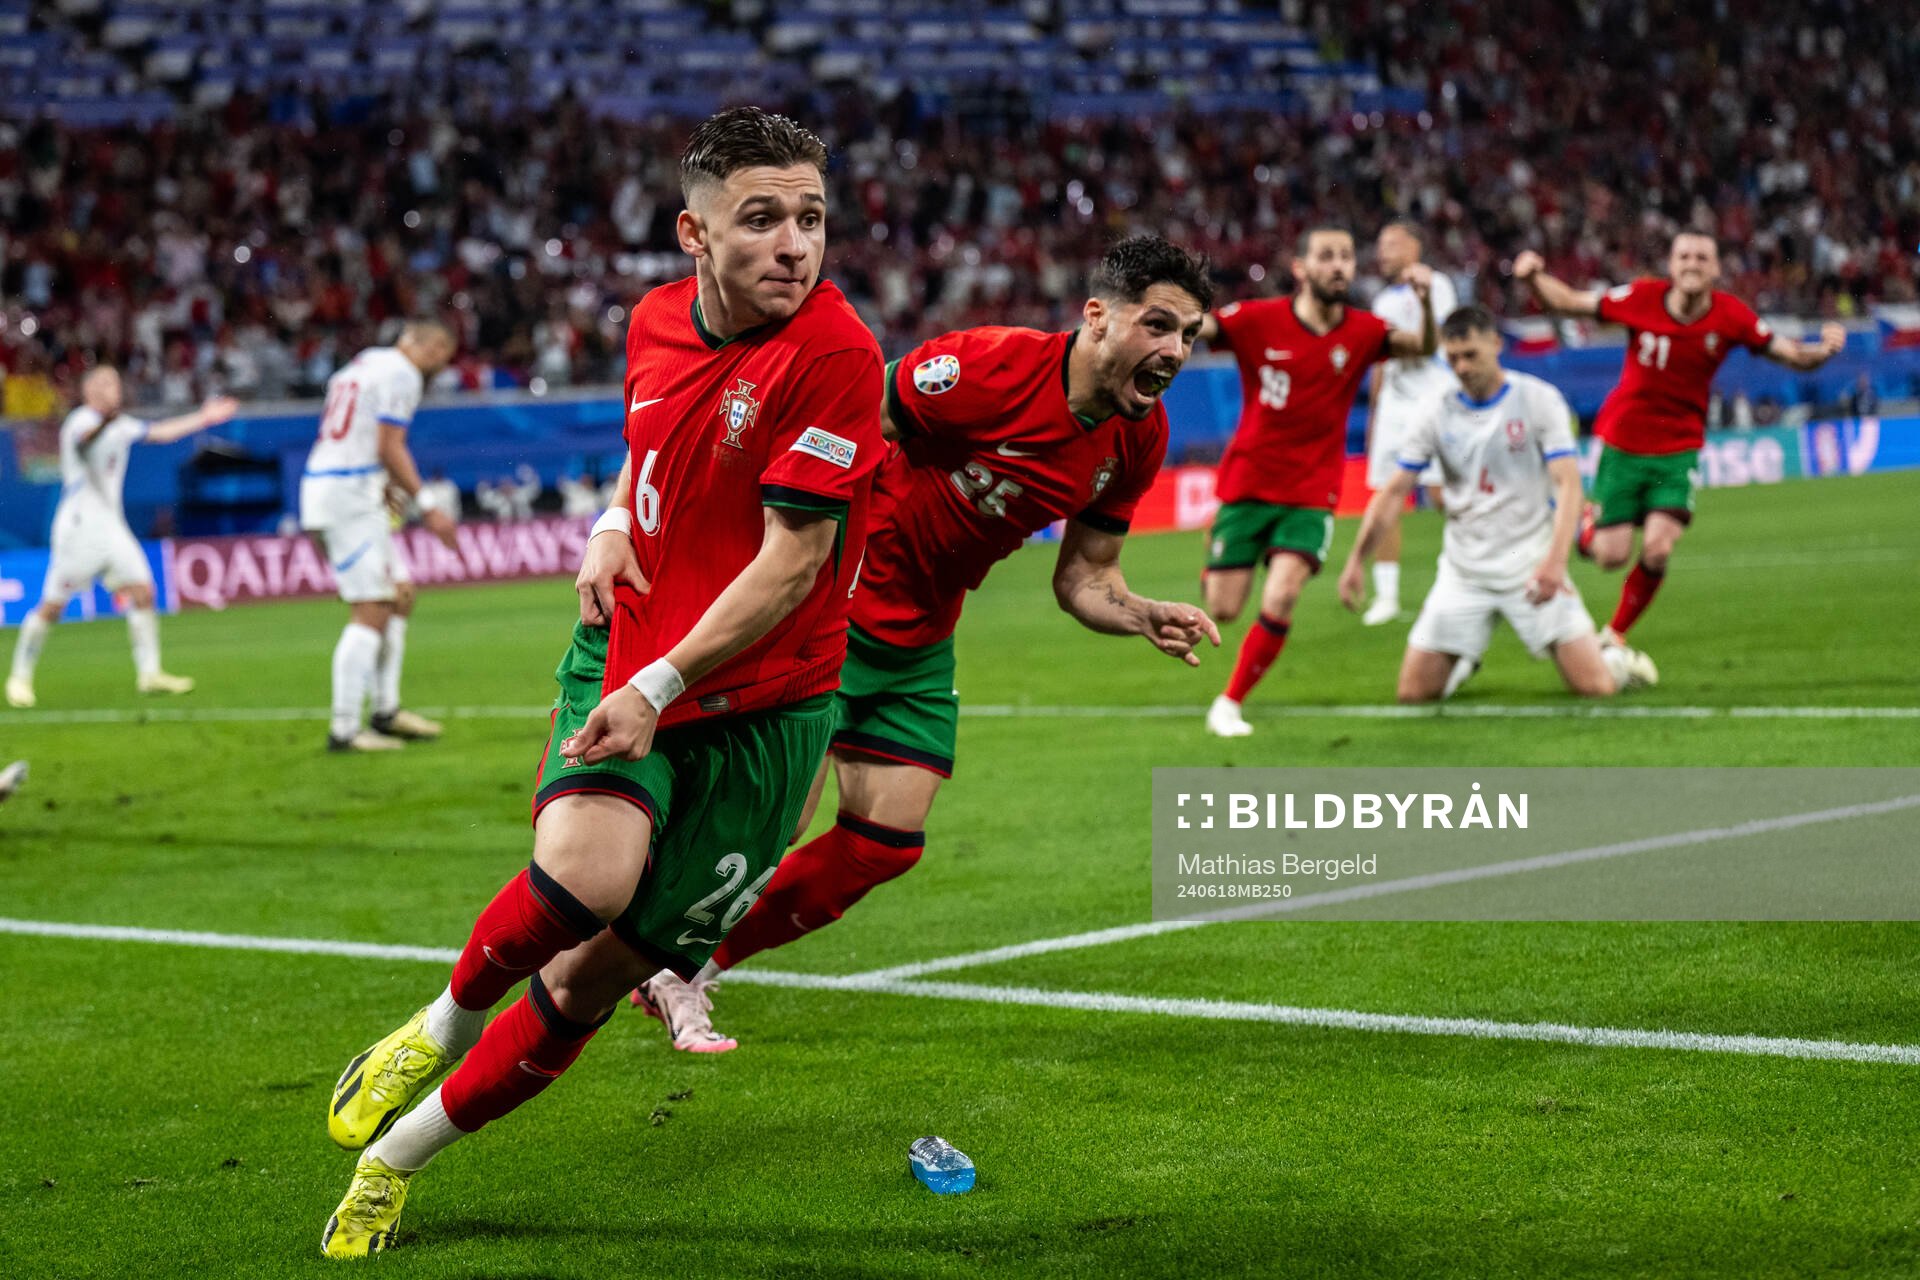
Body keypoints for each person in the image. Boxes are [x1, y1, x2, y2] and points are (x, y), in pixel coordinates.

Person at [318, 106, 884, 1258]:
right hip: (635, 649)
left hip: (766, 705)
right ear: (694, 232)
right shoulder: (653, 322)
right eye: (761, 218)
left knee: (584, 984)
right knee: (582, 874)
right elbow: (649, 441)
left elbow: (794, 564)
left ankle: (396, 1157)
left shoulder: (835, 353)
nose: (793, 244)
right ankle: (439, 1021)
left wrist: (668, 685)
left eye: (811, 219)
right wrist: (613, 519)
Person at [636, 235, 1220, 1052]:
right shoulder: (987, 366)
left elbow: (1086, 576)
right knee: (779, 818)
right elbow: (846, 416)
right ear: (1097, 317)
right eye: (1159, 325)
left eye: (1190, 335)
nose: (1175, 350)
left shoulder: (1137, 439)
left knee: (884, 841)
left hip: (923, 630)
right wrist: (794, 549)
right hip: (839, 602)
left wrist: (1135, 611)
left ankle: (686, 965)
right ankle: (642, 938)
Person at [1513, 234, 1844, 648]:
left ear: (1717, 269)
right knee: (1610, 557)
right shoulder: (1641, 298)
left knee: (1657, 549)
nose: (1693, 263)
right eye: (1684, 256)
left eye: (1702, 257)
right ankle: (1585, 524)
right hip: (1625, 445)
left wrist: (1824, 350)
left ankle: (1614, 636)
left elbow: (1792, 354)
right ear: (1671, 266)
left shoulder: (1730, 315)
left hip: (1678, 450)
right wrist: (1533, 278)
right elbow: (1565, 302)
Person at [1338, 306, 1657, 701]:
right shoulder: (1434, 411)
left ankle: (1613, 659)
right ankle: (1462, 658)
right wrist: (1356, 558)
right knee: (1413, 695)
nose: (1462, 367)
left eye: (1471, 355)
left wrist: (1555, 562)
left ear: (1496, 344)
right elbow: (1393, 493)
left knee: (1596, 688)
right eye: (1453, 358)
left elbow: (1568, 484)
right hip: (1464, 572)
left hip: (1531, 567)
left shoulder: (1539, 400)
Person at [1198, 225, 1437, 738]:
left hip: (1312, 490)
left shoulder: (1364, 331)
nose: (1339, 266)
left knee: (1282, 594)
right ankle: (1216, 555)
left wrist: (1427, 303)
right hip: (1248, 481)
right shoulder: (1258, 318)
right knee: (1223, 607)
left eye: (1347, 257)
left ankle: (1230, 702)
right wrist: (1166, 308)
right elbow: (1205, 330)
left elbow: (1421, 347)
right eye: (1327, 256)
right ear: (1301, 269)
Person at [5, 369, 236, 708]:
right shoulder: (80, 421)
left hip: (111, 527)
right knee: (53, 606)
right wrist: (106, 422)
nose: (111, 389)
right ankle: (19, 677)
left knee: (143, 591)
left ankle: (150, 673)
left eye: (114, 382)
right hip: (79, 529)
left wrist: (203, 417)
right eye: (102, 384)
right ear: (88, 392)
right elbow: (86, 442)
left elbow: (160, 433)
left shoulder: (121, 423)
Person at [298, 321, 460, 752]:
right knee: (370, 609)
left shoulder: (364, 362)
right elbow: (390, 444)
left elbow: (359, 434)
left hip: (340, 487)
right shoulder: (403, 374)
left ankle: (386, 711)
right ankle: (344, 731)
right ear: (433, 345)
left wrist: (383, 482)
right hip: (347, 496)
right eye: (443, 354)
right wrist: (428, 506)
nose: (442, 365)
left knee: (400, 594)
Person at [1359, 220, 1458, 625]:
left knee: (1441, 496)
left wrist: (1425, 298)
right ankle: (1386, 597)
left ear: (1415, 247)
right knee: (1386, 498)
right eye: (1381, 243)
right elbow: (1382, 358)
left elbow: (1441, 339)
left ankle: (1471, 570)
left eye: (1392, 243)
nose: (1383, 251)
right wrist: (1375, 411)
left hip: (1435, 399)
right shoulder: (1382, 301)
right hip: (1395, 408)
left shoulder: (1440, 286)